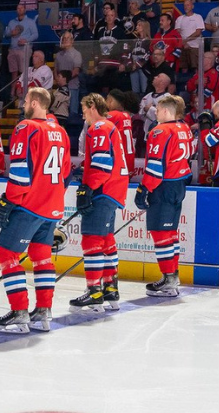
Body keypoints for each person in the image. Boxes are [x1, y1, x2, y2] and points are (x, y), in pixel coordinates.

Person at [0, 87, 72, 334]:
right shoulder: (61, 131)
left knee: (6, 254)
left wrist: (9, 199)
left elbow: (20, 170)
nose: (23, 104)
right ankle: (43, 312)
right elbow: (66, 174)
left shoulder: (27, 127)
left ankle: (20, 312)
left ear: (35, 103)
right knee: (41, 256)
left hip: (30, 204)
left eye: (26, 101)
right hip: (52, 206)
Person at [70, 94, 130, 312]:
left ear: (92, 106)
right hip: (112, 190)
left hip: (103, 189)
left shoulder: (98, 128)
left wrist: (88, 187)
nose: (83, 114)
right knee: (106, 240)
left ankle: (94, 291)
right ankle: (110, 289)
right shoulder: (109, 127)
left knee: (92, 239)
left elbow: (102, 163)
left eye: (84, 109)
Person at [136, 95, 194, 297]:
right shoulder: (184, 128)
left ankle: (169, 279)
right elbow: (189, 155)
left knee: (161, 235)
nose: (156, 113)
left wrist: (144, 189)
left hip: (163, 187)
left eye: (158, 110)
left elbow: (155, 165)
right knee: (170, 234)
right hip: (178, 185)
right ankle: (172, 275)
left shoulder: (160, 131)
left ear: (167, 112)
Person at [106, 90, 140, 178]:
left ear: (110, 101)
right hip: (128, 162)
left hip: (117, 165)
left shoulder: (111, 116)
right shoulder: (127, 116)